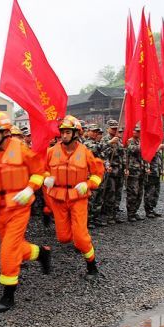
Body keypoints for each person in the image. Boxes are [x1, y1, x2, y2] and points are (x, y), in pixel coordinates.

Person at [0, 111, 50, 312]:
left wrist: (29, 188)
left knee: (7, 250)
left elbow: (39, 172)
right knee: (16, 248)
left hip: (18, 205)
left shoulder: (22, 149)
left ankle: (8, 294)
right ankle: (41, 253)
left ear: (5, 132)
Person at [43, 116, 104, 280]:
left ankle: (92, 266)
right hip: (58, 198)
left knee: (80, 238)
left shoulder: (85, 152)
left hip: (78, 198)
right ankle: (76, 239)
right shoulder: (51, 152)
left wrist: (88, 184)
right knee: (63, 238)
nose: (64, 135)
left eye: (67, 132)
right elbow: (42, 169)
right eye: (62, 132)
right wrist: (46, 177)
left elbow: (98, 174)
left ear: (76, 133)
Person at [100, 119, 125, 225]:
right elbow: (102, 154)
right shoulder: (104, 140)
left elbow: (122, 154)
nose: (115, 130)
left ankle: (115, 215)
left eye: (116, 128)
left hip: (119, 170)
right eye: (113, 128)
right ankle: (109, 216)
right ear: (108, 128)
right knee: (111, 193)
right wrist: (106, 165)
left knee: (118, 193)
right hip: (111, 170)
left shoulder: (118, 140)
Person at [125, 125, 146, 222]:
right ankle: (130, 213)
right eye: (137, 131)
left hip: (141, 170)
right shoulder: (130, 141)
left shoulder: (140, 141)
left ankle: (135, 211)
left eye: (139, 131)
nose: (138, 133)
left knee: (140, 193)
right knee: (133, 192)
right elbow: (134, 150)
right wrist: (144, 144)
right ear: (133, 132)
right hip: (133, 171)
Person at [144, 143, 164, 218]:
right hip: (151, 174)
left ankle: (152, 209)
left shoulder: (158, 150)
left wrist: (163, 169)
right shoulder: (150, 148)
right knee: (150, 192)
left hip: (157, 174)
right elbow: (148, 156)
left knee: (156, 192)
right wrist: (158, 148)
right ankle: (148, 210)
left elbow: (162, 160)